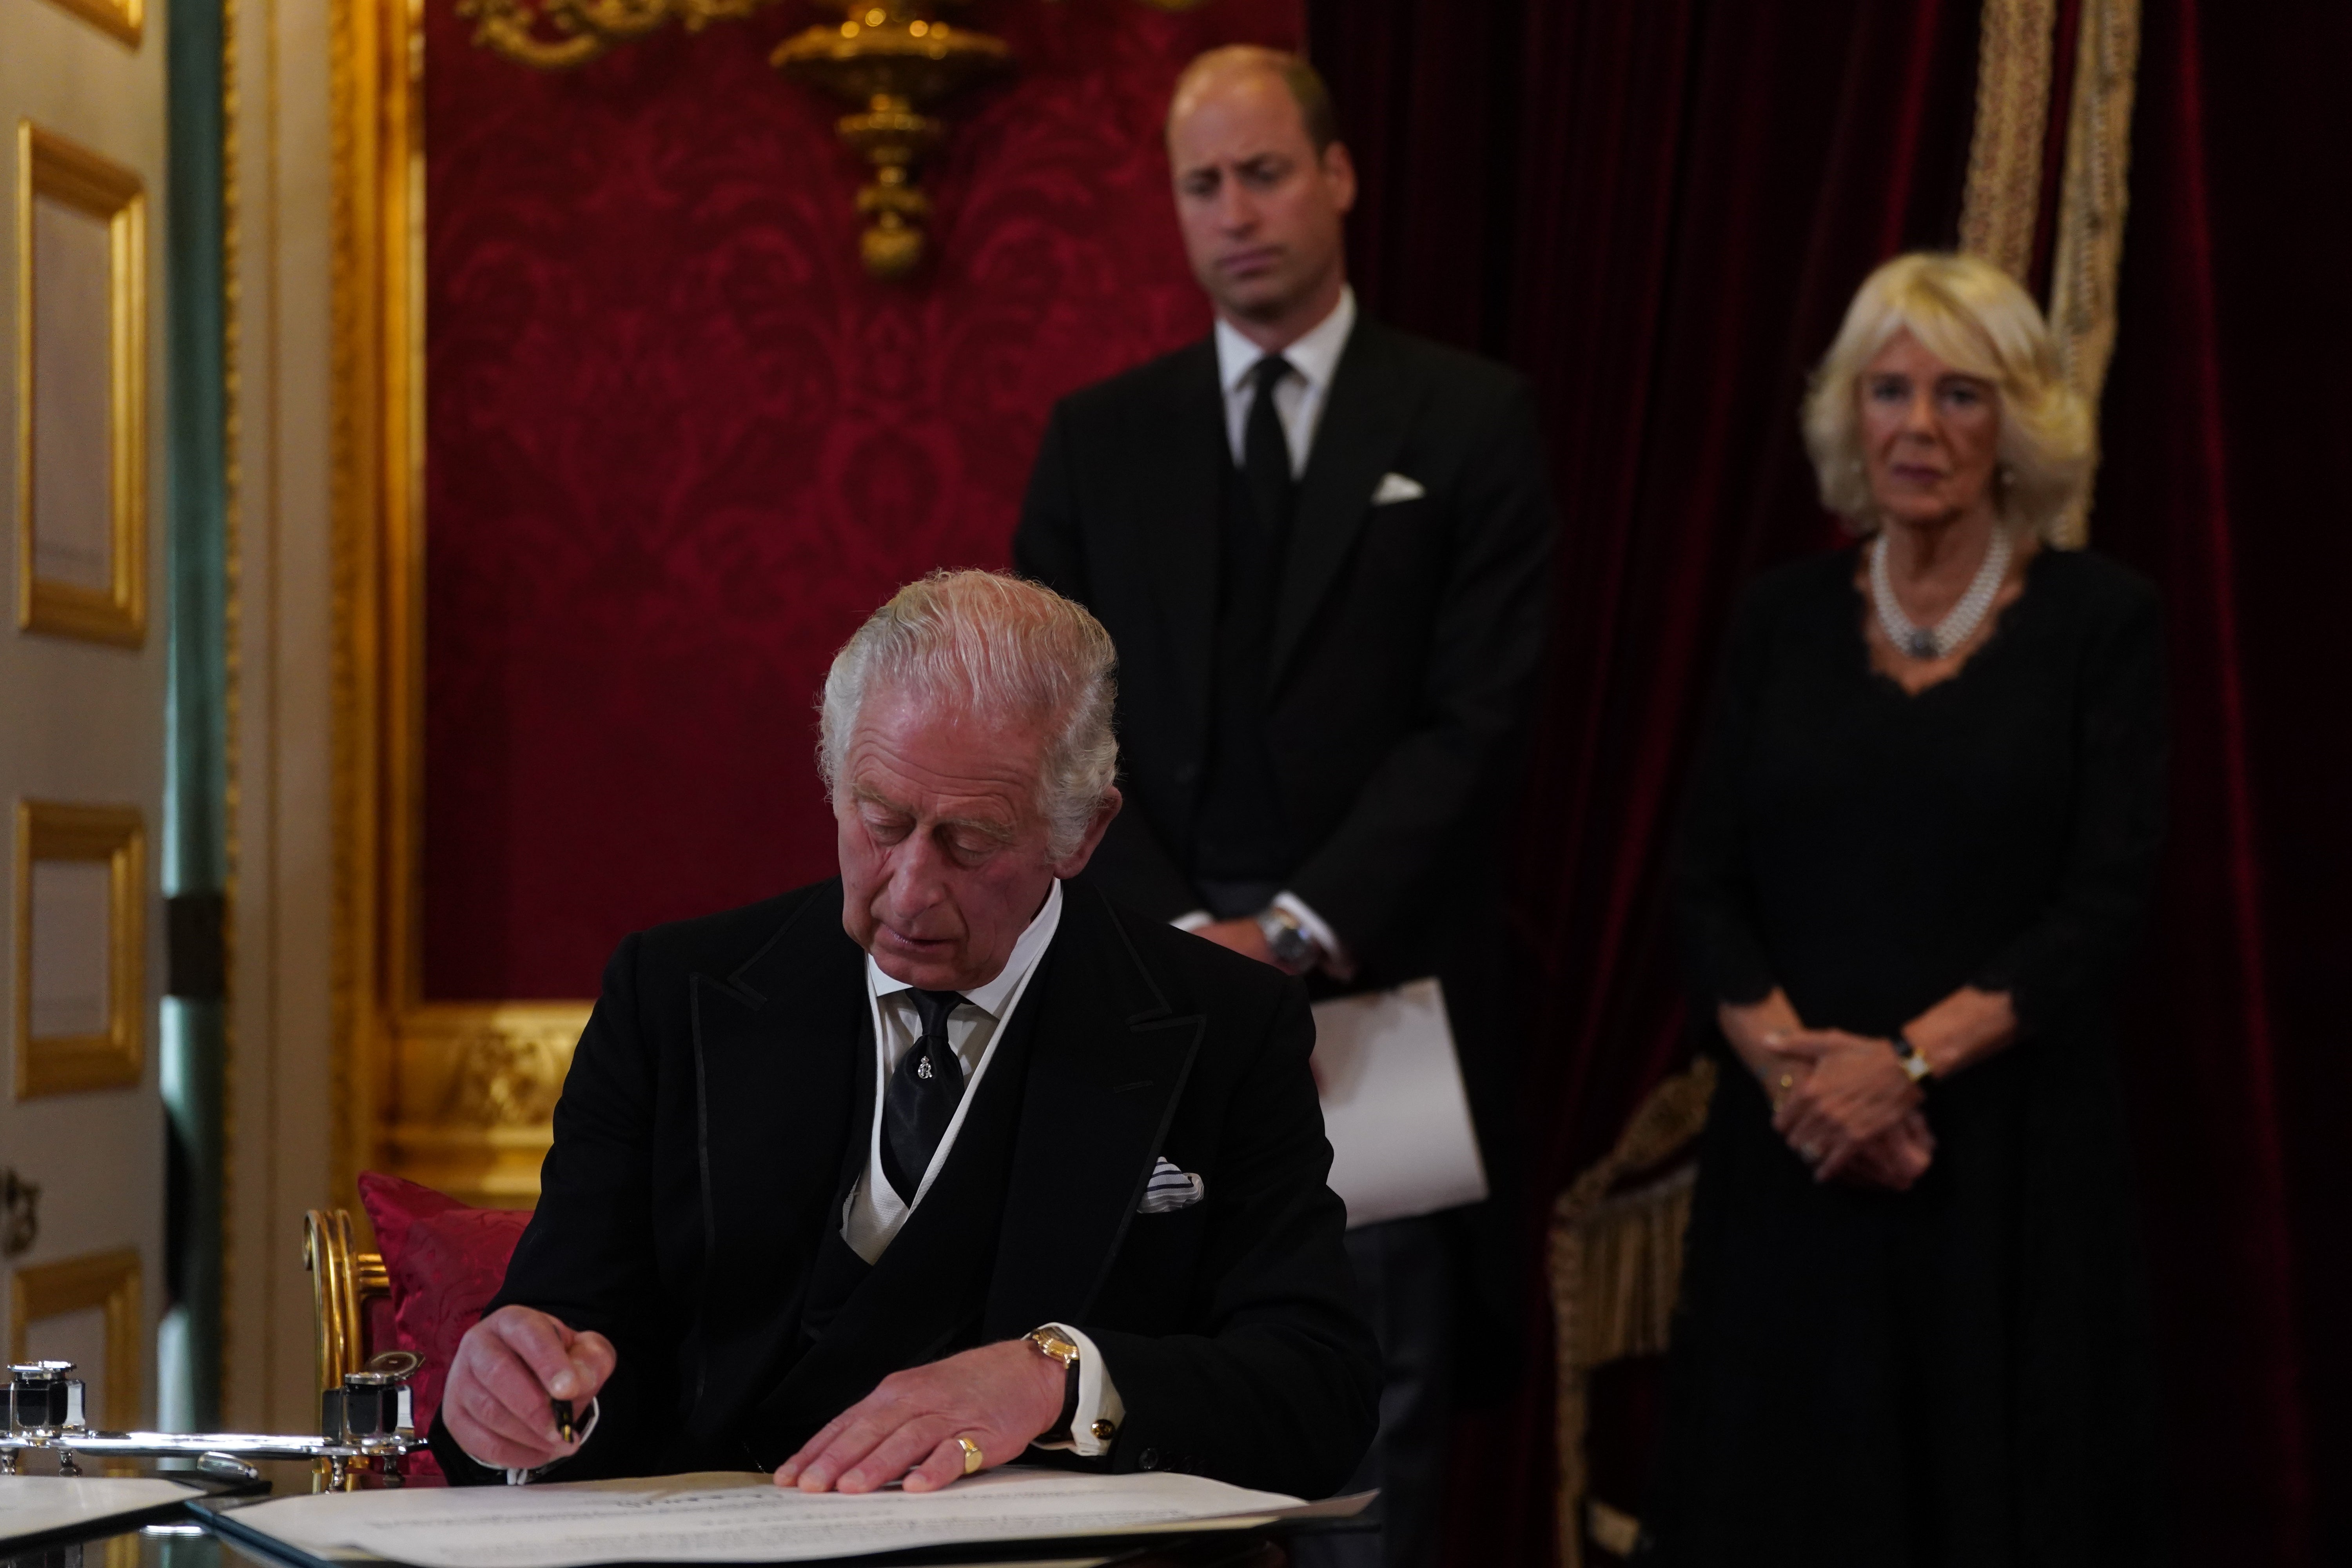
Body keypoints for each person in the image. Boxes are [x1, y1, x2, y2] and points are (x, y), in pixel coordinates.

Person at [425, 570, 1379, 1499]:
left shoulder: (1225, 1025)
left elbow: (1319, 1393)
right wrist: (513, 1404)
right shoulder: (672, 997)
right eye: (881, 821)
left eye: (971, 843)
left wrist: (1057, 1379)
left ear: (1081, 833)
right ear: (835, 782)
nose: (911, 889)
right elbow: (572, 1344)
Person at [1012, 45, 1555, 1568]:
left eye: (1264, 173)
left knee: (1374, 1438)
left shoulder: (1468, 419)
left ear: (1338, 178)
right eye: (1205, 184)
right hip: (1141, 1007)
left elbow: (1481, 720)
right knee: (1138, 1432)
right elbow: (1049, 728)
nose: (1237, 211)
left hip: (1376, 1013)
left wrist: (1294, 930)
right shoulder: (1100, 439)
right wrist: (1192, 940)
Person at [1650, 252, 2167, 1563]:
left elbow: (2107, 901)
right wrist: (1809, 1087)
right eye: (1889, 391)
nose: (1918, 427)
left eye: (1960, 394)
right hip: (1799, 1155)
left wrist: (1910, 1065)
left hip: (2004, 1169)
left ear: (2019, 428)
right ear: (1848, 417)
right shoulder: (1776, 621)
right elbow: (1703, 883)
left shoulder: (2104, 623)